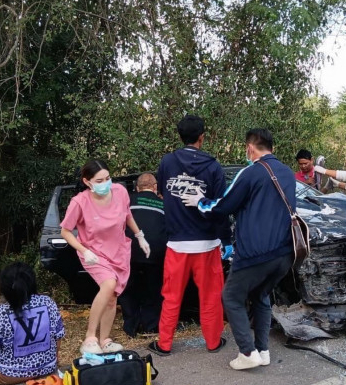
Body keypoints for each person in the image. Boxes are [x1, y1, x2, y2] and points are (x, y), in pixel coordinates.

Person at [183, 128, 295, 370]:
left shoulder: (252, 173)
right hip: (285, 253)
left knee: (231, 297)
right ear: (272, 147)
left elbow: (224, 205)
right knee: (260, 295)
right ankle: (262, 350)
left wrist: (200, 202)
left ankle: (247, 352)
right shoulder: (287, 172)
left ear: (250, 148)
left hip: (255, 252)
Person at [148, 114, 229, 356]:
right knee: (211, 297)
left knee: (171, 296)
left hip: (177, 244)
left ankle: (164, 344)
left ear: (180, 136)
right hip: (207, 243)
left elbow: (162, 192)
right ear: (202, 137)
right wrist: (227, 241)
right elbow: (220, 207)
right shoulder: (213, 167)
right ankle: (213, 342)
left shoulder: (167, 162)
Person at [60, 159, 150, 355]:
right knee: (108, 285)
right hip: (94, 253)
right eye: (100, 180)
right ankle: (90, 338)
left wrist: (140, 236)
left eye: (108, 178)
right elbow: (65, 231)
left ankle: (104, 340)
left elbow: (127, 216)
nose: (106, 183)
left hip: (118, 251)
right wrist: (84, 251)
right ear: (87, 181)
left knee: (112, 296)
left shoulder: (120, 192)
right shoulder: (79, 202)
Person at [118, 173, 167, 337]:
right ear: (155, 187)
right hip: (155, 253)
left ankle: (130, 327)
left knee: (128, 289)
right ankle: (150, 326)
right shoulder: (163, 204)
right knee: (153, 289)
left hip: (129, 253)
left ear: (137, 188)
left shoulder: (127, 201)